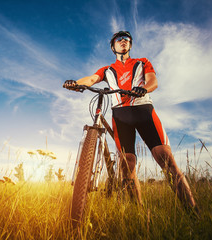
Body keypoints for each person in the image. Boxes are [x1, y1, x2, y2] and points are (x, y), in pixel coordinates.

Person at [63, 31, 198, 212]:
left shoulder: (142, 62)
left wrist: (143, 89)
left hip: (143, 110)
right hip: (120, 115)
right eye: (119, 40)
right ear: (113, 47)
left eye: (127, 39)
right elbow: (92, 79)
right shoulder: (107, 69)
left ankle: (192, 212)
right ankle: (139, 214)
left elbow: (153, 81)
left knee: (165, 158)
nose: (123, 41)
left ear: (130, 45)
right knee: (126, 164)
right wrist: (76, 83)